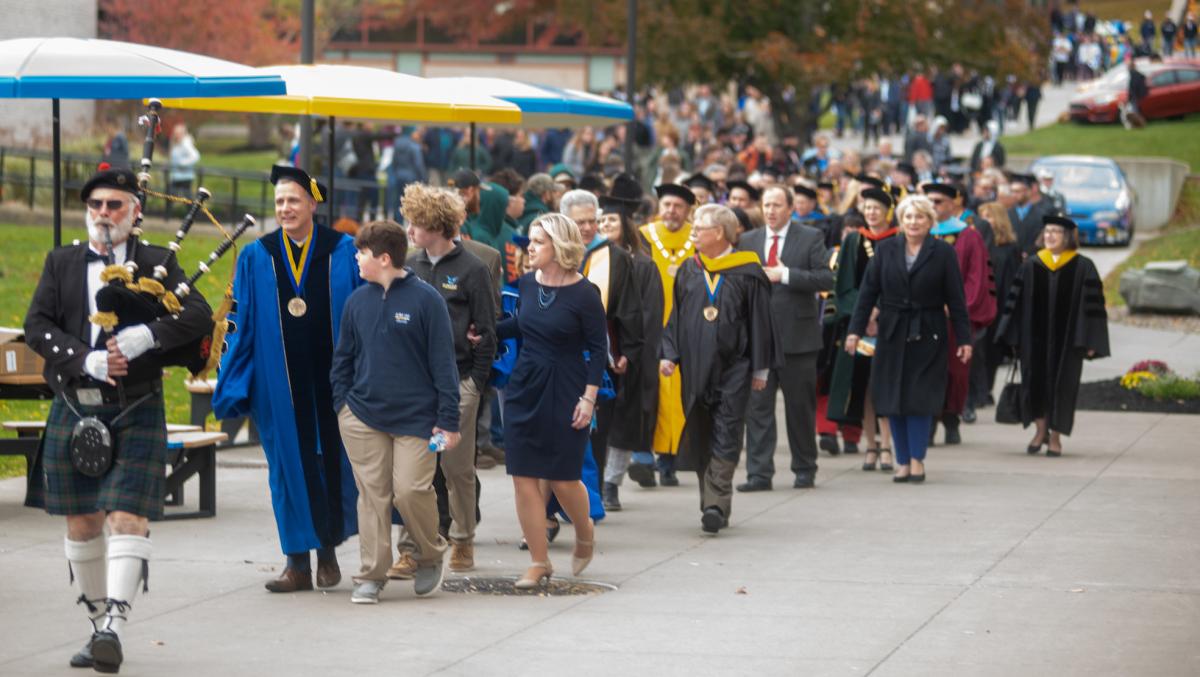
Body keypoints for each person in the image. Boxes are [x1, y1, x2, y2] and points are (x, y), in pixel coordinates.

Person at [24, 166, 213, 672]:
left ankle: (114, 628)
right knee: (82, 522)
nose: (103, 214)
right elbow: (35, 325)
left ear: (134, 212)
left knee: (126, 516)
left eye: (114, 205)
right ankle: (95, 629)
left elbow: (198, 316)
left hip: (136, 404)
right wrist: (84, 358)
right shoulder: (61, 262)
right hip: (75, 403)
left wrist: (147, 335)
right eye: (96, 206)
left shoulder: (159, 263)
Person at [213, 165, 360, 593]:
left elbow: (360, 317)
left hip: (334, 385)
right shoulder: (256, 256)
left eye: (293, 200)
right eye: (279, 202)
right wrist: (234, 381)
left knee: (332, 466)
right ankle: (296, 563)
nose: (285, 208)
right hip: (279, 388)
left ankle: (328, 552)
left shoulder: (343, 250)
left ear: (312, 204)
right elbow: (239, 323)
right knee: (286, 470)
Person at [329, 220, 461, 604]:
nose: (356, 258)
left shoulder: (427, 301)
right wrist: (343, 407)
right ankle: (372, 574)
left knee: (410, 491)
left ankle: (429, 553)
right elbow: (344, 359)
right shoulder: (357, 301)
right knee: (372, 496)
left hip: (419, 420)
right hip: (362, 416)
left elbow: (444, 365)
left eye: (362, 253)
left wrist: (448, 420)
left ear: (384, 258)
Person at [392, 184, 497, 578]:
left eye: (416, 223)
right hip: (417, 387)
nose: (409, 229)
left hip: (459, 383)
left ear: (436, 226)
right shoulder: (411, 266)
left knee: (455, 469)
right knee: (413, 472)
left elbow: (487, 332)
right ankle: (410, 547)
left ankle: (463, 537)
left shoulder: (471, 270)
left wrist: (475, 385)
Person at [500, 213, 607, 587]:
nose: (529, 247)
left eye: (538, 242)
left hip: (567, 388)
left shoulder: (584, 293)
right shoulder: (527, 284)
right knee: (523, 477)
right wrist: (483, 331)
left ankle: (584, 529)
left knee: (563, 478)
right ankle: (539, 560)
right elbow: (522, 324)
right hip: (525, 385)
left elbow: (598, 349)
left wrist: (589, 399)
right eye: (530, 240)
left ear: (560, 247)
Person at [660, 204, 779, 533]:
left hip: (735, 367)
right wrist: (669, 354)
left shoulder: (747, 271)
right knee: (700, 432)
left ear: (721, 233)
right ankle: (710, 497)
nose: (693, 232)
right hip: (695, 368)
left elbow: (761, 323)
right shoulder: (688, 269)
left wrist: (761, 370)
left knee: (727, 431)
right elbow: (677, 318)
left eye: (699, 228)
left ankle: (716, 501)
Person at [845, 195, 971, 483]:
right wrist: (855, 330)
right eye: (909, 217)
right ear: (901, 221)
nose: (914, 223)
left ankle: (917, 460)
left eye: (920, 217)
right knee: (891, 398)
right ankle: (902, 462)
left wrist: (964, 339)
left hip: (929, 332)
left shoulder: (942, 252)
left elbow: (956, 298)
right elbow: (867, 294)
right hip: (892, 331)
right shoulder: (887, 249)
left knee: (919, 397)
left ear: (930, 221)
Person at [737, 185, 834, 491]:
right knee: (758, 409)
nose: (771, 211)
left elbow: (824, 278)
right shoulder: (748, 241)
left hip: (798, 340)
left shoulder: (810, 237)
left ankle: (805, 468)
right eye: (766, 205)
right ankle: (759, 474)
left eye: (777, 205)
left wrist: (786, 274)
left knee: (799, 409)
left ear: (791, 208)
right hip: (759, 341)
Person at [997, 215, 1110, 457]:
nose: (1049, 235)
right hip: (1032, 340)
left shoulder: (1083, 267)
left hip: (1068, 342)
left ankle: (1056, 436)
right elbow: (1014, 304)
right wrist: (1013, 337)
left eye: (1056, 232)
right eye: (1047, 231)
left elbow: (1094, 309)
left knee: (1063, 387)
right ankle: (1040, 431)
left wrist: (1090, 341)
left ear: (1068, 237)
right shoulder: (1031, 265)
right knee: (1034, 383)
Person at [562, 189, 644, 509]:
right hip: (560, 355)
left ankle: (593, 493)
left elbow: (630, 309)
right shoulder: (551, 251)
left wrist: (627, 350)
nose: (586, 228)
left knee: (598, 428)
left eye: (590, 221)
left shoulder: (617, 257)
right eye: (578, 221)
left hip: (602, 357)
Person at [598, 178, 663, 508]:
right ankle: (596, 481)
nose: (605, 224)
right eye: (601, 220)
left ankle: (612, 482)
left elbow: (650, 315)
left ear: (626, 223)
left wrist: (632, 354)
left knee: (623, 423)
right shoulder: (594, 261)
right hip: (599, 353)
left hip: (628, 355)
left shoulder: (643, 264)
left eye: (611, 219)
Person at [827, 188, 899, 472]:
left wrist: (877, 311)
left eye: (876, 208)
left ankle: (887, 446)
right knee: (863, 387)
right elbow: (843, 284)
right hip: (858, 325)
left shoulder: (898, 240)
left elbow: (899, 283)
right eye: (867, 208)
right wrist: (863, 313)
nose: (871, 213)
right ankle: (870, 444)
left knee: (885, 386)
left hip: (889, 324)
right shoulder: (853, 241)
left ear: (887, 211)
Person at [631, 182, 697, 487]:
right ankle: (645, 456)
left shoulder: (697, 238)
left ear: (687, 211)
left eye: (679, 206)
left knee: (678, 397)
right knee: (650, 394)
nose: (672, 211)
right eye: (667, 205)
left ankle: (670, 461)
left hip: (685, 328)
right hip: (649, 327)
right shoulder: (644, 236)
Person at [926, 183, 996, 441]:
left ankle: (951, 418)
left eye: (939, 201)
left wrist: (955, 307)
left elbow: (976, 279)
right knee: (929, 372)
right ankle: (930, 421)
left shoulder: (969, 236)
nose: (933, 206)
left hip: (954, 320)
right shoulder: (919, 234)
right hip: (925, 318)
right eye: (929, 201)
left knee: (956, 372)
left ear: (953, 203)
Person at [977, 201, 1022, 403]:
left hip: (999, 305)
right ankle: (977, 391)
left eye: (990, 216)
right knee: (978, 349)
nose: (986, 221)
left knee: (992, 352)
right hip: (979, 304)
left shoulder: (1009, 247)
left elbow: (1014, 278)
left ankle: (986, 389)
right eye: (983, 216)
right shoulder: (977, 242)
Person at [1007, 173, 1050, 257]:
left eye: (1018, 191)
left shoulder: (1041, 215)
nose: (1014, 195)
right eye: (1012, 191)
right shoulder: (1007, 214)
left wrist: (1029, 252)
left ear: (1028, 192)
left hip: (1034, 259)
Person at [167, 123, 201, 200]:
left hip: (185, 177)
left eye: (178, 133)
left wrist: (182, 163)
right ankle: (170, 212)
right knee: (171, 197)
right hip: (175, 176)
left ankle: (192, 211)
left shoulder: (186, 143)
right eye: (175, 133)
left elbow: (196, 156)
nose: (176, 135)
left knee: (187, 199)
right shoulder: (175, 143)